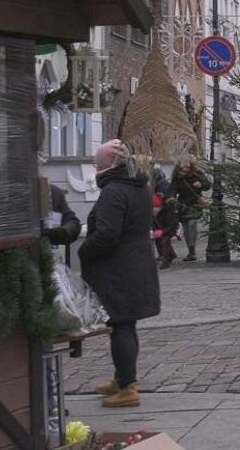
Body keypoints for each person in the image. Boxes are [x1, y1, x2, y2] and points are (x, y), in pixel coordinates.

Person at [79, 140, 160, 407]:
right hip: (136, 265)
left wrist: (84, 251)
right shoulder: (139, 186)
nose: (95, 167)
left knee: (120, 325)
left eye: (98, 162)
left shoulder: (114, 191)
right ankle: (123, 378)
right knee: (126, 325)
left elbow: (107, 235)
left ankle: (127, 388)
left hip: (120, 270)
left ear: (107, 165)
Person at [172, 160, 210, 261]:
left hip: (195, 203)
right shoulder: (177, 176)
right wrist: (171, 198)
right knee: (186, 228)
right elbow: (172, 189)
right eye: (183, 163)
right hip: (183, 205)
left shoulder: (197, 173)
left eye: (188, 163)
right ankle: (190, 251)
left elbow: (208, 185)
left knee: (192, 224)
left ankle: (192, 251)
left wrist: (201, 184)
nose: (186, 165)